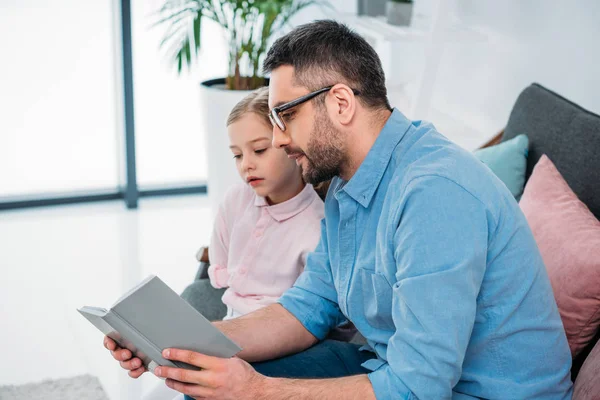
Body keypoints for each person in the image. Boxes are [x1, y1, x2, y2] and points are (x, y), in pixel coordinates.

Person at [105, 20, 573, 399]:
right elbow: (306, 310)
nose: (280, 138)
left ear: (341, 102)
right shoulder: (347, 185)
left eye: (285, 115)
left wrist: (259, 391)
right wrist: (183, 342)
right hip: (393, 367)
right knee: (206, 387)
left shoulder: (434, 194)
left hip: (474, 393)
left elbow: (420, 387)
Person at [206, 87, 324, 321]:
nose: (245, 165)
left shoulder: (318, 227)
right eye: (237, 155)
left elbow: (312, 314)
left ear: (292, 144)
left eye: (259, 150)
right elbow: (219, 261)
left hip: (281, 334)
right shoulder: (235, 200)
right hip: (230, 321)